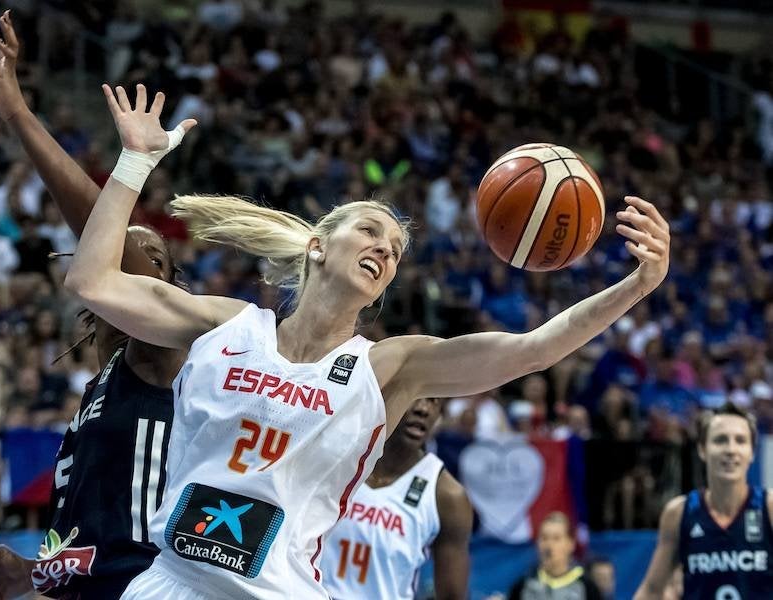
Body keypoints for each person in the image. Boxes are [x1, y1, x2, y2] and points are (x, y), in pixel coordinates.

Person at [61, 78, 670, 600]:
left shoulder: (390, 367)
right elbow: (91, 281)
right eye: (371, 231)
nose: (385, 247)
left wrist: (638, 286)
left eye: (396, 250)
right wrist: (135, 161)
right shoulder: (225, 325)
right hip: (170, 580)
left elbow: (534, 348)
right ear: (320, 246)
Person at [0, 13, 189, 600]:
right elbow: (92, 547)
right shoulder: (105, 383)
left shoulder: (170, 352)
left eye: (148, 256)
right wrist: (30, 572)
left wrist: (20, 117)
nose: (127, 249)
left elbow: (97, 233)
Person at [321, 397, 472, 599]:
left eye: (433, 401)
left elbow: (452, 595)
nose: (423, 409)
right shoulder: (335, 458)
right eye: (416, 397)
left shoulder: (447, 495)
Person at [634, 402, 773, 599]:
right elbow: (652, 590)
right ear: (702, 449)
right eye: (720, 440)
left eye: (740, 441)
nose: (731, 449)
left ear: (752, 452)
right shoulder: (680, 512)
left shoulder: (768, 507)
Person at [508, 513, 602, 600]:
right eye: (544, 538)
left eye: (556, 538)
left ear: (571, 544)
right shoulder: (523, 586)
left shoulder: (587, 588)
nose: (548, 545)